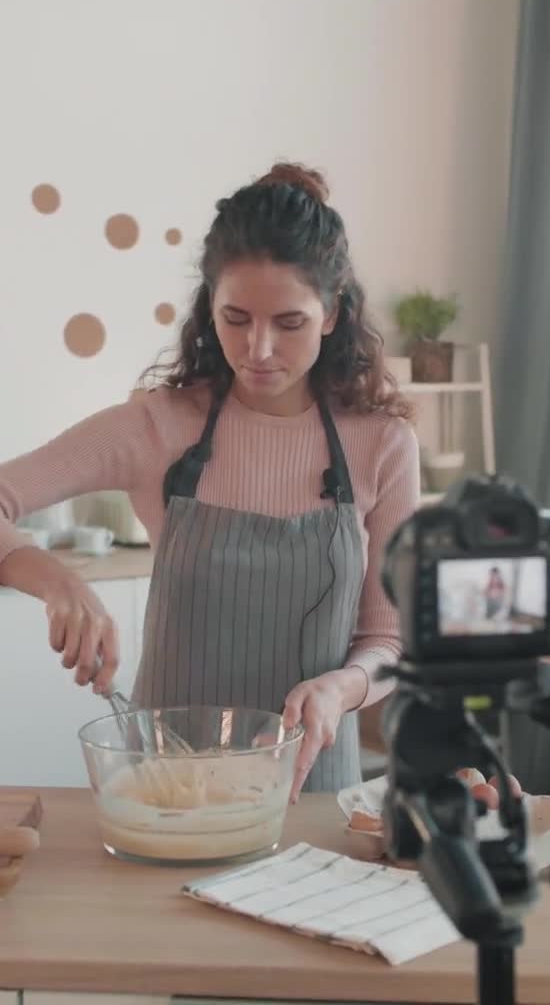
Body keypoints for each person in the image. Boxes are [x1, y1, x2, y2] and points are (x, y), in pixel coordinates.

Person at [0, 161, 519, 808]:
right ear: (209, 305)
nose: (259, 349)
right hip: (168, 793)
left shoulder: (383, 444)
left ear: (331, 313)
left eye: (289, 323)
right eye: (236, 317)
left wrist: (344, 687)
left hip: (314, 795)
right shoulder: (159, 427)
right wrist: (59, 583)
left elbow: (388, 639)